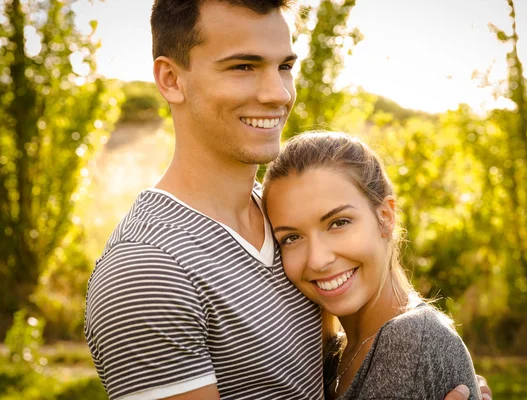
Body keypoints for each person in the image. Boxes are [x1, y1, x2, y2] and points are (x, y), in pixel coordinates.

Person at [84, 1, 492, 399]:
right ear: (171, 79)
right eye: (243, 66)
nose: (277, 93)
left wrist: (428, 371)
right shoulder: (148, 269)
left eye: (284, 67)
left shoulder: (286, 217)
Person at [262, 131, 482, 399]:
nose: (318, 260)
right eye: (292, 237)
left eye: (338, 222)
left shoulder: (409, 339)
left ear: (385, 217)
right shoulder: (335, 353)